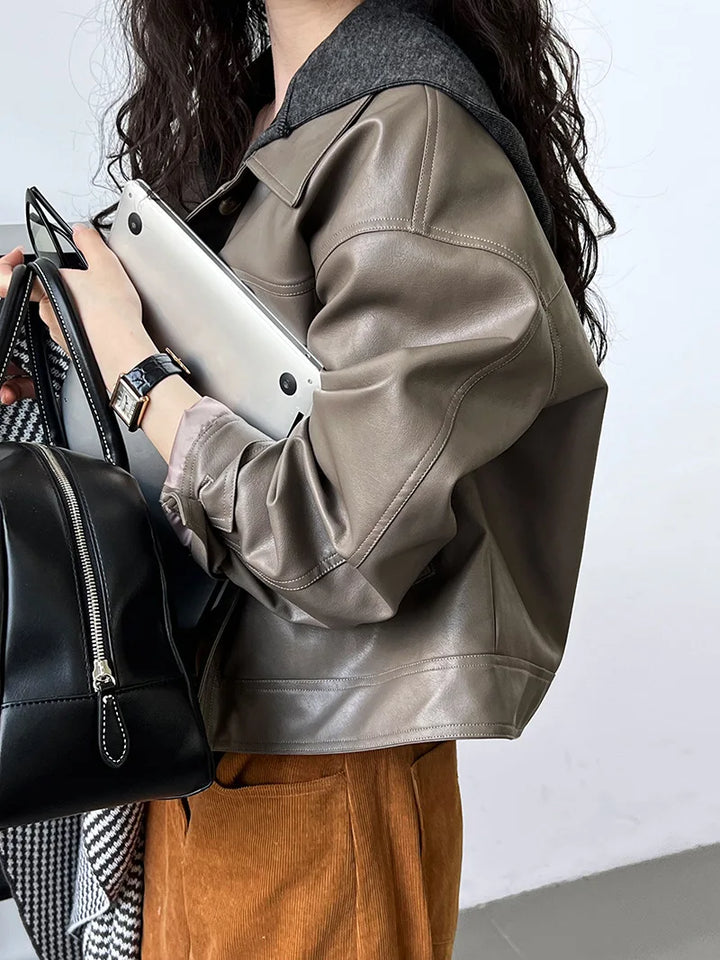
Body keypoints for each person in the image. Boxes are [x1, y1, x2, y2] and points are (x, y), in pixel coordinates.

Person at [0, 0, 613, 957]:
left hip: (317, 785)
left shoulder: (410, 132)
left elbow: (341, 538)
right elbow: (234, 411)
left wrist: (129, 363)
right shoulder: (261, 109)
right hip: (206, 750)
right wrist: (68, 347)